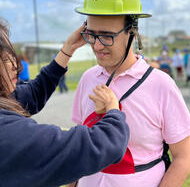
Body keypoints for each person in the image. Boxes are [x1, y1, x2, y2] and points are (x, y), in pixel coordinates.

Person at [71, 0, 190, 187]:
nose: (97, 46)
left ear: (132, 31)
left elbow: (183, 158)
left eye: (107, 36)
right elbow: (80, 146)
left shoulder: (161, 85)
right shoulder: (88, 78)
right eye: (91, 35)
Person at [0, 20, 130, 186]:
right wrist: (112, 108)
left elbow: (32, 94)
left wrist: (68, 49)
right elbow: (100, 144)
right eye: (4, 60)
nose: (15, 66)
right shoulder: (7, 133)